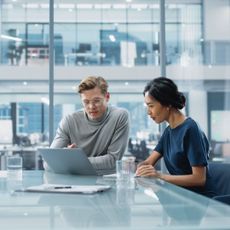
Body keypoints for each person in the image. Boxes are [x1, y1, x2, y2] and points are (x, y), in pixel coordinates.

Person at [136, 77, 217, 197]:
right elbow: (149, 162)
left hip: (200, 200)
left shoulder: (190, 129)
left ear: (167, 103)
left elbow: (199, 179)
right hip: (180, 195)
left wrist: (159, 176)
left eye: (151, 106)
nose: (148, 112)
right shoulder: (169, 131)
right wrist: (140, 167)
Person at [50, 76, 130, 175]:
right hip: (75, 182)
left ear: (107, 97)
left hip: (106, 180)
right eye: (86, 102)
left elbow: (113, 160)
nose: (91, 107)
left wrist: (72, 161)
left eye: (96, 101)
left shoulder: (119, 116)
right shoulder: (69, 121)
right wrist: (67, 156)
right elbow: (49, 162)